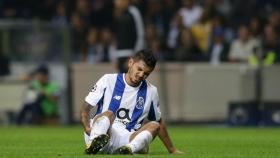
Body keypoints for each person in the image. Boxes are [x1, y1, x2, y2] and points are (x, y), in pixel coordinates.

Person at [80, 49, 182, 155]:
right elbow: (86, 108)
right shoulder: (108, 80)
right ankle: (93, 144)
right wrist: (87, 128)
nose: (142, 75)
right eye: (139, 69)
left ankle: (128, 149)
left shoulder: (151, 92)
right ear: (130, 63)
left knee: (155, 125)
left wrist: (172, 149)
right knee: (108, 113)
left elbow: (159, 122)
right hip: (102, 132)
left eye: (146, 73)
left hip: (126, 138)